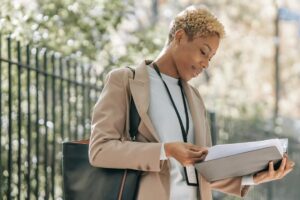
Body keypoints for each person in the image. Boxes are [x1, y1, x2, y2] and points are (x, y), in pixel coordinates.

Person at [88, 5, 295, 200]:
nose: (205, 64)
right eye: (203, 52)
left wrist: (252, 177)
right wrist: (165, 150)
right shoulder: (125, 81)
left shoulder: (195, 98)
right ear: (179, 37)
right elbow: (100, 150)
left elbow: (203, 170)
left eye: (210, 58)